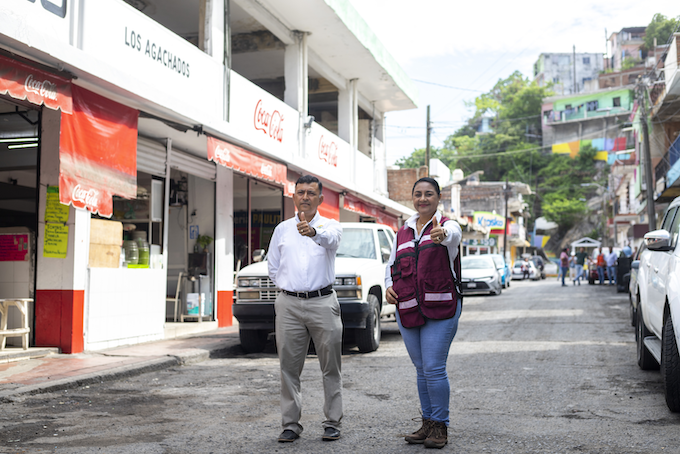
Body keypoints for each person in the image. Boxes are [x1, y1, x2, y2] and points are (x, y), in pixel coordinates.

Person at [385, 177, 462, 449]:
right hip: (408, 307)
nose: (423, 199)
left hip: (442, 307)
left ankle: (440, 426)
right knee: (421, 369)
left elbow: (453, 235)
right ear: (412, 198)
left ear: (438, 198)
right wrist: (388, 286)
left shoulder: (448, 225)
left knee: (433, 367)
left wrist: (443, 234)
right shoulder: (402, 232)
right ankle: (428, 423)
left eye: (429, 194)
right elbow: (391, 265)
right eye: (418, 194)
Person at [267, 175, 344, 443]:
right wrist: (288, 289)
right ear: (294, 197)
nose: (305, 197)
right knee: (288, 367)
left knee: (330, 366)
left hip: (323, 302)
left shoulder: (330, 226)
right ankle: (290, 424)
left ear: (320, 198)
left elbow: (332, 241)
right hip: (288, 304)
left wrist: (313, 232)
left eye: (311, 193)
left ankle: (332, 422)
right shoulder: (282, 229)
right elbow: (273, 266)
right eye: (300, 192)